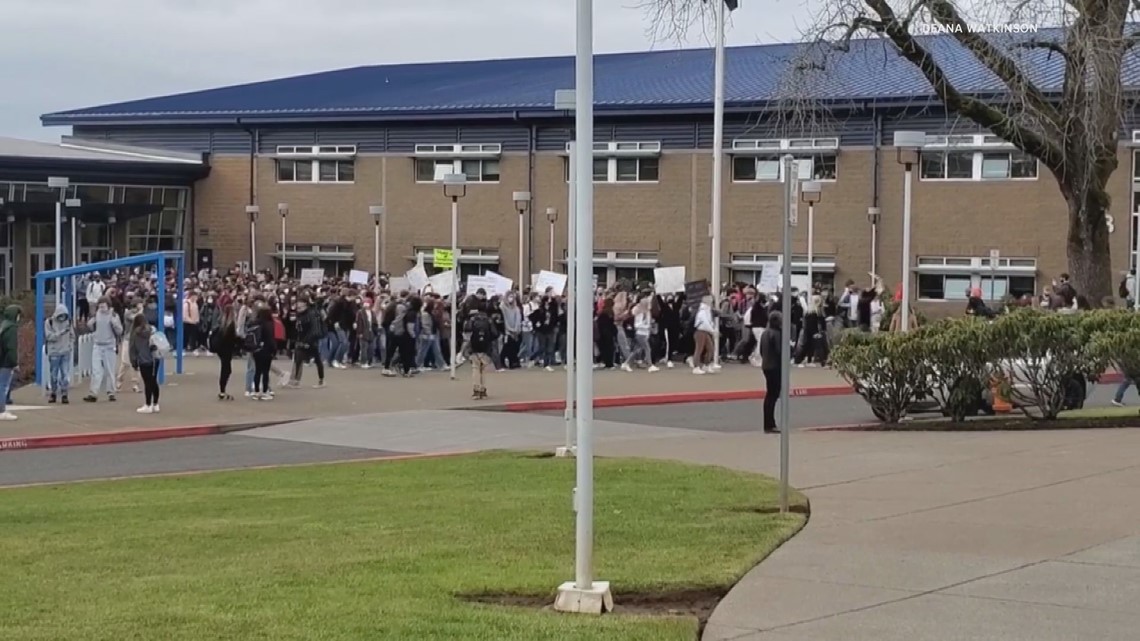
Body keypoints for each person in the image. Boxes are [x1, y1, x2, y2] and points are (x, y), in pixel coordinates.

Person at [85, 297, 123, 403]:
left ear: (108, 305)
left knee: (110, 370)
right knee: (96, 370)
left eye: (103, 305)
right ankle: (93, 393)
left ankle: (111, 392)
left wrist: (114, 323)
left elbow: (120, 331)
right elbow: (91, 327)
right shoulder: (96, 314)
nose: (102, 307)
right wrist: (91, 323)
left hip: (109, 346)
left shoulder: (114, 315)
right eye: (100, 305)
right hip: (97, 344)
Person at [128, 313, 161, 413]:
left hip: (144, 360)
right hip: (155, 358)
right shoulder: (152, 330)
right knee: (154, 381)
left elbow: (132, 350)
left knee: (147, 382)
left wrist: (134, 363)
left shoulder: (135, 334)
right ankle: (155, 404)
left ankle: (147, 405)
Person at [44, 303, 75, 404]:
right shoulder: (49, 322)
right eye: (60, 315)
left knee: (65, 374)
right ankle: (53, 392)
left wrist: (70, 345)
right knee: (54, 375)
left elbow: (72, 335)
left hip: (65, 352)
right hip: (54, 352)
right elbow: (49, 337)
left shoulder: (68, 322)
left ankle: (64, 393)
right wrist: (60, 333)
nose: (62, 318)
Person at [758, 311, 783, 434]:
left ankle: (768, 423)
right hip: (775, 366)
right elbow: (780, 351)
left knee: (770, 395)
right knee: (773, 395)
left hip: (766, 365)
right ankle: (770, 424)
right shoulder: (777, 333)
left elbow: (761, 350)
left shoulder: (765, 333)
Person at [465, 306, 496, 399]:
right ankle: (483, 389)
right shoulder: (489, 321)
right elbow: (495, 334)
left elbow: (466, 333)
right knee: (483, 369)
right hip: (486, 348)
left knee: (475, 368)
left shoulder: (472, 321)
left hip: (474, 348)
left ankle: (476, 389)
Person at [211, 304, 239, 400]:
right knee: (226, 370)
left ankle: (222, 390)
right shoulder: (231, 325)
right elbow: (233, 339)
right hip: (227, 350)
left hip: (221, 349)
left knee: (225, 369)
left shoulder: (222, 323)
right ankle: (222, 391)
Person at [248, 307, 277, 399]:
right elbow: (270, 339)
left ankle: (256, 391)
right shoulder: (269, 324)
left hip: (256, 349)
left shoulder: (254, 323)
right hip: (266, 350)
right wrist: (274, 350)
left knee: (257, 371)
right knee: (265, 372)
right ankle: (264, 391)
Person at [0, 304, 21, 421]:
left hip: (1, 360)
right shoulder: (11, 328)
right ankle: (1, 410)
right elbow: (11, 348)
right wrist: (14, 363)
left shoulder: (3, 325)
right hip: (6, 362)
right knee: (3, 386)